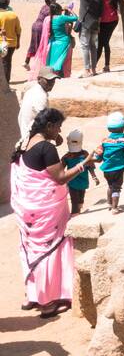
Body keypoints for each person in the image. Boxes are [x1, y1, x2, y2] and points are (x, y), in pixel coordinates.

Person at [10, 107, 92, 317]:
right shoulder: (46, 148)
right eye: (58, 127)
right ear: (49, 126)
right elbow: (60, 178)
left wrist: (56, 138)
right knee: (51, 248)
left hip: (28, 211)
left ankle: (34, 295)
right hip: (46, 212)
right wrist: (85, 164)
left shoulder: (25, 142)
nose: (59, 130)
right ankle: (48, 301)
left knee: (31, 250)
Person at [92, 110, 124, 212]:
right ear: (123, 127)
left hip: (106, 170)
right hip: (117, 169)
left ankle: (109, 204)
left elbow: (99, 155)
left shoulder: (105, 140)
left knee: (110, 186)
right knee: (116, 189)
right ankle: (114, 207)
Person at [68, 0, 102, 77]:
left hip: (85, 24)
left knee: (85, 46)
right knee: (93, 46)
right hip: (95, 23)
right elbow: (101, 12)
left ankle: (87, 70)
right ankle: (94, 69)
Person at [18, 65, 58, 145]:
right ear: (39, 79)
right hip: (33, 140)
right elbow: (45, 121)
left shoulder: (34, 91)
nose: (52, 83)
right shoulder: (40, 96)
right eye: (48, 80)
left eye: (53, 80)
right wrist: (56, 136)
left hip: (28, 135)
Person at [63, 126, 97, 215]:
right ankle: (75, 214)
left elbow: (90, 166)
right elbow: (60, 168)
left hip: (83, 182)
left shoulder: (85, 154)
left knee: (81, 199)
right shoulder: (67, 156)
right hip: (72, 183)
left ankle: (78, 211)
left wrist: (94, 176)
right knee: (74, 200)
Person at [94, 0, 120, 73]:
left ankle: (95, 65)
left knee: (101, 44)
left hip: (104, 21)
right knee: (105, 42)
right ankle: (106, 65)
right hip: (113, 20)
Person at [24, 0, 56, 69]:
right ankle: (38, 65)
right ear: (52, 0)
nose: (55, 0)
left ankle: (26, 62)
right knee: (40, 46)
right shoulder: (51, 8)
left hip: (35, 25)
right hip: (41, 27)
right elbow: (51, 20)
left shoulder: (44, 7)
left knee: (32, 44)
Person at [0, 0, 22, 82]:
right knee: (7, 63)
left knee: (3, 63)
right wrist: (18, 42)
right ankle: (7, 81)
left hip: (1, 43)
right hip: (12, 43)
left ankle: (3, 83)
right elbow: (18, 31)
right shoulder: (14, 15)